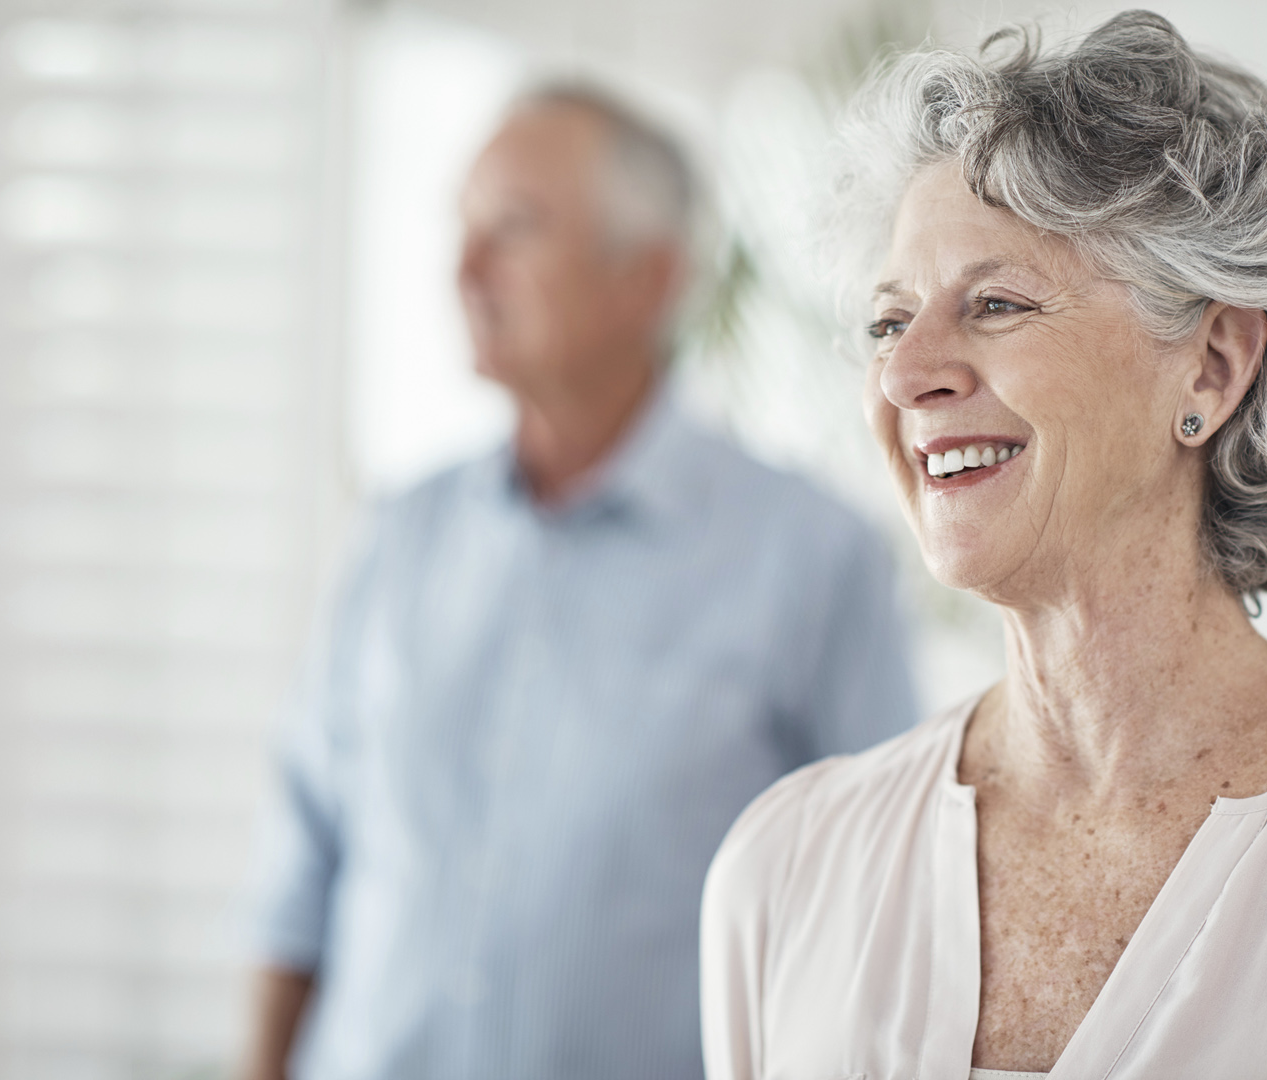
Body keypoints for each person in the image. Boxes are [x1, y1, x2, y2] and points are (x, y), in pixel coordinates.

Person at [701, 12, 1267, 1080]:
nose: (908, 374)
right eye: (887, 322)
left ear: (1212, 368)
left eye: (995, 303)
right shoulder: (787, 869)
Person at [243, 84, 917, 1080]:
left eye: (513, 229)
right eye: (464, 230)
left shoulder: (814, 555)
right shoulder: (397, 536)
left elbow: (877, 909)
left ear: (646, 279)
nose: (464, 269)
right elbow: (301, 867)